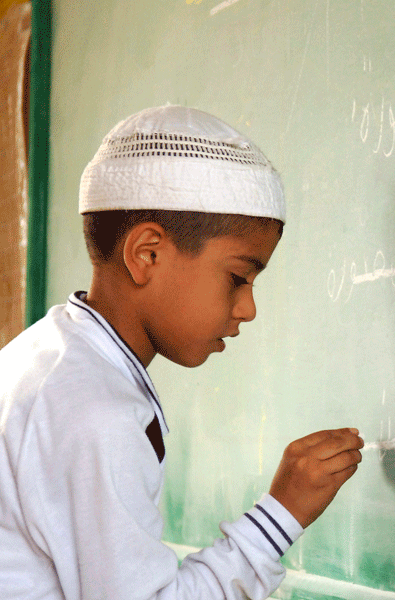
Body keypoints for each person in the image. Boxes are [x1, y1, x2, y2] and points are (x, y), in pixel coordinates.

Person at [0, 105, 364, 600]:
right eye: (238, 277)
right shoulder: (94, 411)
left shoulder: (52, 358)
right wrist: (283, 512)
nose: (249, 308)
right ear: (146, 254)